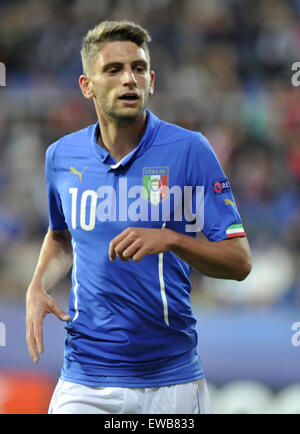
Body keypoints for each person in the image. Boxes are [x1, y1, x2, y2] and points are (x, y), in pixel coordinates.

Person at [26, 20, 252, 414]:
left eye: (139, 68)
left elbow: (240, 262)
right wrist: (37, 285)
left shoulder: (189, 151)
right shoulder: (61, 157)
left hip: (171, 380)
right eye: (113, 70)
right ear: (87, 85)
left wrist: (173, 239)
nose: (129, 78)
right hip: (86, 379)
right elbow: (61, 236)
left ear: (151, 81)